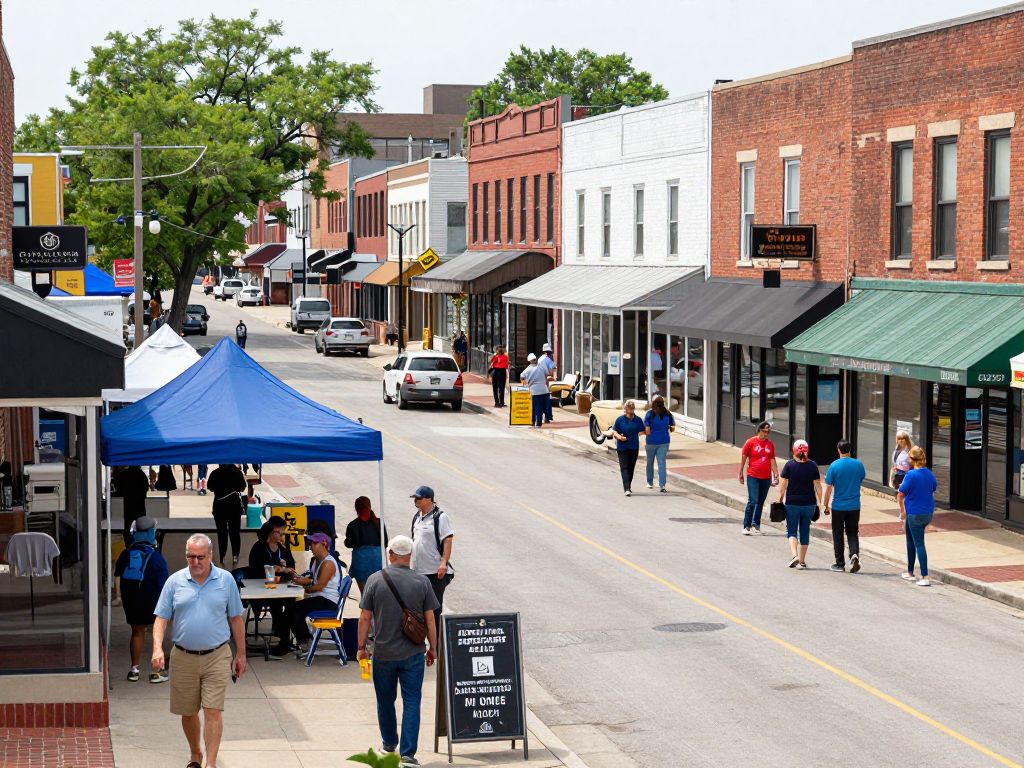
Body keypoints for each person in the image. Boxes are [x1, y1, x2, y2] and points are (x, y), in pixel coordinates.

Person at [152, 533, 246, 768]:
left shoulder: (226, 581)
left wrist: (241, 654)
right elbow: (161, 618)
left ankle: (210, 764)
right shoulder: (175, 581)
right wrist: (157, 648)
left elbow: (236, 618)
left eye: (200, 557)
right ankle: (196, 753)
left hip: (217, 655)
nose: (195, 562)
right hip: (183, 656)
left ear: (211, 555)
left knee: (213, 711)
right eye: (190, 557)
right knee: (188, 711)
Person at [357, 535, 438, 766]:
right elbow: (430, 620)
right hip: (413, 653)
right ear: (410, 555)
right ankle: (408, 754)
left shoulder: (375, 579)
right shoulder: (422, 582)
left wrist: (361, 647)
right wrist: (433, 648)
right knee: (412, 700)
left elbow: (365, 617)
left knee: (385, 700)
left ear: (390, 553)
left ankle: (389, 743)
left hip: (383, 653)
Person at [115, 516, 170, 684]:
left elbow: (118, 577)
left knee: (137, 633)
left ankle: (134, 670)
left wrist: (119, 597)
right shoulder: (156, 557)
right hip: (153, 601)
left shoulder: (126, 554)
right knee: (157, 634)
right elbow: (164, 584)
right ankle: (156, 672)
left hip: (132, 601)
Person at [271, 532, 343, 656]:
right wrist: (299, 579)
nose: (311, 545)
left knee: (294, 610)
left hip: (327, 601)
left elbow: (319, 586)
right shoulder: (316, 561)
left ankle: (302, 641)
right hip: (320, 597)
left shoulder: (328, 563)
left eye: (314, 543)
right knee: (292, 609)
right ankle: (293, 641)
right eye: (310, 543)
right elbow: (313, 580)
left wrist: (305, 588)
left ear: (324, 544)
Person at [409, 486, 453, 625]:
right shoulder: (417, 517)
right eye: (415, 498)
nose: (416, 501)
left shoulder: (440, 517)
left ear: (429, 499)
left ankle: (437, 644)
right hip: (418, 571)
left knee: (434, 609)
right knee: (418, 609)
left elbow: (448, 539)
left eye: (419, 498)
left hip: (434, 571)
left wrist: (443, 563)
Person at [823, 440, 866, 573]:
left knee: (838, 534)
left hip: (838, 506)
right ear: (850, 450)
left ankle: (840, 564)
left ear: (838, 450)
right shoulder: (858, 464)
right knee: (852, 532)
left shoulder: (834, 466)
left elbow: (829, 488)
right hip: (854, 505)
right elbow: (861, 479)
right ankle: (854, 554)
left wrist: (825, 505)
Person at [777, 439, 822, 569]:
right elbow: (817, 485)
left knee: (792, 531)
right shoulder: (813, 465)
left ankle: (794, 555)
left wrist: (780, 500)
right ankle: (802, 561)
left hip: (792, 503)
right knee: (805, 530)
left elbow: (783, 486)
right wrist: (821, 503)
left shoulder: (789, 465)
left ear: (794, 451)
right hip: (809, 504)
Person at [898, 446, 937, 587]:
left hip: (914, 513)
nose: (907, 459)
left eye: (909, 457)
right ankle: (910, 572)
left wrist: (902, 511)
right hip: (927, 513)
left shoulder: (911, 475)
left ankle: (925, 576)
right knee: (910, 541)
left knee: (919, 543)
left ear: (913, 460)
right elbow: (933, 488)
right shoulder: (929, 473)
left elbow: (901, 493)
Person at [738, 421, 779, 535]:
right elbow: (744, 457)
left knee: (760, 501)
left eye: (768, 432)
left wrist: (775, 473)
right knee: (753, 500)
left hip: (766, 477)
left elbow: (772, 460)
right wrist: (740, 472)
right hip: (753, 476)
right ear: (759, 430)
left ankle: (756, 524)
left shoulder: (770, 444)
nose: (766, 434)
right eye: (764, 431)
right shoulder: (750, 442)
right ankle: (746, 526)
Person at [345, 496, 388, 594]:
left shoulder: (353, 525)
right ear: (370, 507)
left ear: (356, 509)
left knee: (365, 595)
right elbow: (385, 542)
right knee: (378, 594)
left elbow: (348, 543)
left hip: (361, 564)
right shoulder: (379, 523)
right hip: (378, 562)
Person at [206, 464, 246, 566]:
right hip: (234, 505)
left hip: (219, 505)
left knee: (222, 533)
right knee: (235, 533)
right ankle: (235, 559)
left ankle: (222, 559)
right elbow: (243, 487)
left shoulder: (215, 473)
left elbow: (210, 487)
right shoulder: (237, 472)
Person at [611, 401, 646, 497]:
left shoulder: (638, 420)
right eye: (628, 408)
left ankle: (628, 486)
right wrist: (619, 437)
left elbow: (643, 431)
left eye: (631, 408)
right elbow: (614, 431)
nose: (629, 410)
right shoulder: (620, 419)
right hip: (622, 447)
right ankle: (626, 488)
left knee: (631, 468)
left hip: (634, 447)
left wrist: (636, 434)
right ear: (625, 409)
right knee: (624, 467)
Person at [112, 466, 150, 547]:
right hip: (140, 508)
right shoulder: (142, 475)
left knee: (128, 532)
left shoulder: (124, 475)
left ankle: (129, 550)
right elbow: (146, 489)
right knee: (140, 532)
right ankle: (139, 550)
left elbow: (118, 489)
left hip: (128, 507)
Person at [643, 396, 675, 492]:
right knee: (662, 464)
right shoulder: (668, 414)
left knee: (650, 463)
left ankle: (649, 483)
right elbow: (673, 428)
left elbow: (647, 430)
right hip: (664, 441)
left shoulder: (649, 414)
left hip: (651, 441)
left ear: (654, 403)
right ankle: (662, 485)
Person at [520, 353, 549, 428]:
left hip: (534, 391)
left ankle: (533, 422)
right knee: (541, 407)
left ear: (529, 361)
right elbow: (547, 375)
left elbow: (522, 376)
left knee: (534, 407)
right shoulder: (542, 366)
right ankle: (538, 422)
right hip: (544, 390)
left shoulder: (528, 369)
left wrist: (524, 383)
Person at [538, 342, 557, 423]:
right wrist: (554, 378)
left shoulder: (539, 359)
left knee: (540, 399)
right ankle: (547, 416)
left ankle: (540, 416)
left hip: (539, 380)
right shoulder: (548, 359)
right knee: (547, 399)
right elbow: (553, 369)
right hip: (545, 380)